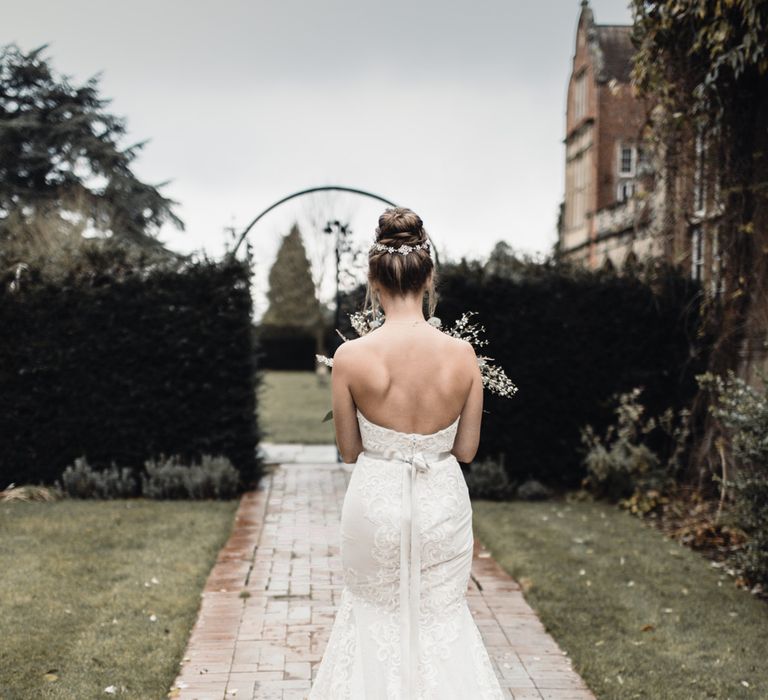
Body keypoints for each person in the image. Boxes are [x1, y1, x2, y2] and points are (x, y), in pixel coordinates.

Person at [308, 207, 504, 699]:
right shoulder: (462, 356)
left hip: (375, 504)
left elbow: (349, 451)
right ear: (429, 277)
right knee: (442, 618)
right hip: (441, 503)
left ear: (373, 281)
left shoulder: (351, 357)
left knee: (372, 617)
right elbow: (467, 449)